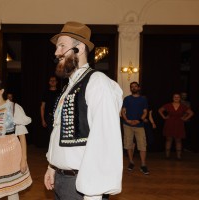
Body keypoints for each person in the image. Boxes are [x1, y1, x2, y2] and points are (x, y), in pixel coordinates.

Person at [44, 21, 123, 200]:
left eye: (62, 46)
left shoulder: (97, 82)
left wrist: (93, 193)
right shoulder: (67, 88)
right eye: (57, 47)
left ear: (79, 47)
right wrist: (52, 166)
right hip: (62, 179)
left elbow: (105, 140)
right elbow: (58, 131)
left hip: (83, 185)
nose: (56, 52)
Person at [121, 82, 149, 175]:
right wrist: (127, 120)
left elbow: (145, 112)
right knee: (128, 144)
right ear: (130, 89)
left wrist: (139, 120)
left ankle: (143, 165)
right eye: (132, 87)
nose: (133, 88)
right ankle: (131, 162)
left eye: (135, 86)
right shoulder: (127, 99)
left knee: (142, 145)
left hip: (139, 125)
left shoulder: (143, 99)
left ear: (139, 88)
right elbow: (123, 111)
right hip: (127, 125)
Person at [158, 93, 194, 160]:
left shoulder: (183, 106)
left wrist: (185, 118)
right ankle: (167, 156)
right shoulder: (168, 105)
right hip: (169, 123)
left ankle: (179, 157)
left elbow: (191, 113)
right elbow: (160, 110)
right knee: (169, 139)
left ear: (180, 98)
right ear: (173, 98)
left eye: (178, 97)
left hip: (179, 123)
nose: (176, 98)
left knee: (178, 140)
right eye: (175, 97)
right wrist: (164, 117)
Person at [40, 75, 60, 147]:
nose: (53, 82)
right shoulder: (46, 93)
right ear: (49, 82)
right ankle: (51, 150)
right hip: (49, 117)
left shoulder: (60, 92)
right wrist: (43, 120)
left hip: (58, 117)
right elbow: (42, 107)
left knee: (58, 135)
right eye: (51, 80)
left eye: (54, 80)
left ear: (56, 82)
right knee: (51, 134)